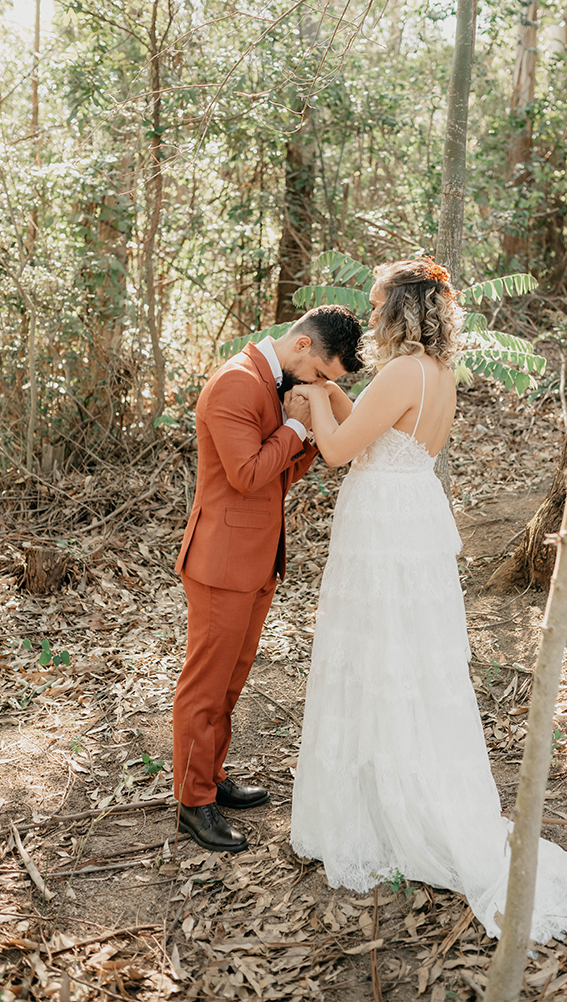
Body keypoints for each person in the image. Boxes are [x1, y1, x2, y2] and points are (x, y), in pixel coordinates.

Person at [289, 258, 567, 944]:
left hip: (384, 522)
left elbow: (341, 451)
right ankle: (398, 785)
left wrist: (312, 395)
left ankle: (386, 811)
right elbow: (377, 432)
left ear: (400, 310)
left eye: (377, 304)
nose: (370, 315)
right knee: (406, 657)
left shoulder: (400, 371)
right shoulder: (434, 372)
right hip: (412, 511)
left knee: (381, 654)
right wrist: (335, 396)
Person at [173, 306, 363, 854]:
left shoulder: (275, 383)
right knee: (205, 686)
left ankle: (211, 778)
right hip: (221, 562)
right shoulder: (236, 382)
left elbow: (281, 474)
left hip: (257, 559)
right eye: (322, 373)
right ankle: (192, 803)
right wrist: (297, 426)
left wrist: (306, 435)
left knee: (230, 682)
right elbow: (247, 474)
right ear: (301, 345)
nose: (320, 385)